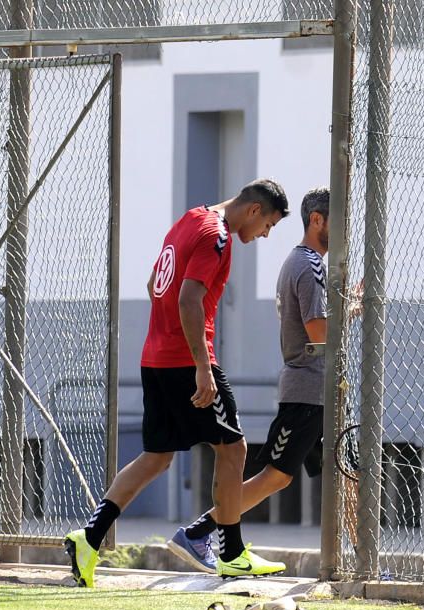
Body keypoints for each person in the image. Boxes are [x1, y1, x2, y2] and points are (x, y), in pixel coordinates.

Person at [64, 179, 290, 587]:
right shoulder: (217, 236)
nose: (265, 235)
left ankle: (90, 536)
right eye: (269, 225)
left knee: (157, 456)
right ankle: (232, 553)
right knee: (234, 447)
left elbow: (154, 285)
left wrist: (169, 333)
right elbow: (189, 299)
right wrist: (202, 367)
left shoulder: (189, 219)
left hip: (155, 357)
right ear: (255, 210)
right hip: (187, 360)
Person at [167, 187, 331, 574]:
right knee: (274, 476)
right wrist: (351, 312)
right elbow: (319, 333)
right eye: (338, 220)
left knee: (346, 472)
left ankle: (362, 556)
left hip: (321, 388)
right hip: (307, 389)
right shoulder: (308, 266)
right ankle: (200, 531)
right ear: (317, 220)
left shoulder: (301, 261)